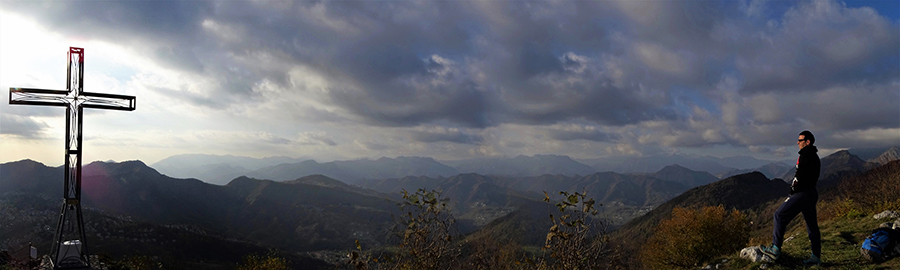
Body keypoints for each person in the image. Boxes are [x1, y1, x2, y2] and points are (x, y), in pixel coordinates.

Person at [760, 130, 822, 266]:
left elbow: (800, 176)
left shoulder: (806, 155)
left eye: (800, 140)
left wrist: (793, 190)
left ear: (808, 142)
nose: (797, 142)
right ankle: (816, 257)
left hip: (802, 193)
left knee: (779, 215)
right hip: (811, 193)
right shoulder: (814, 156)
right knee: (812, 226)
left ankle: (775, 249)